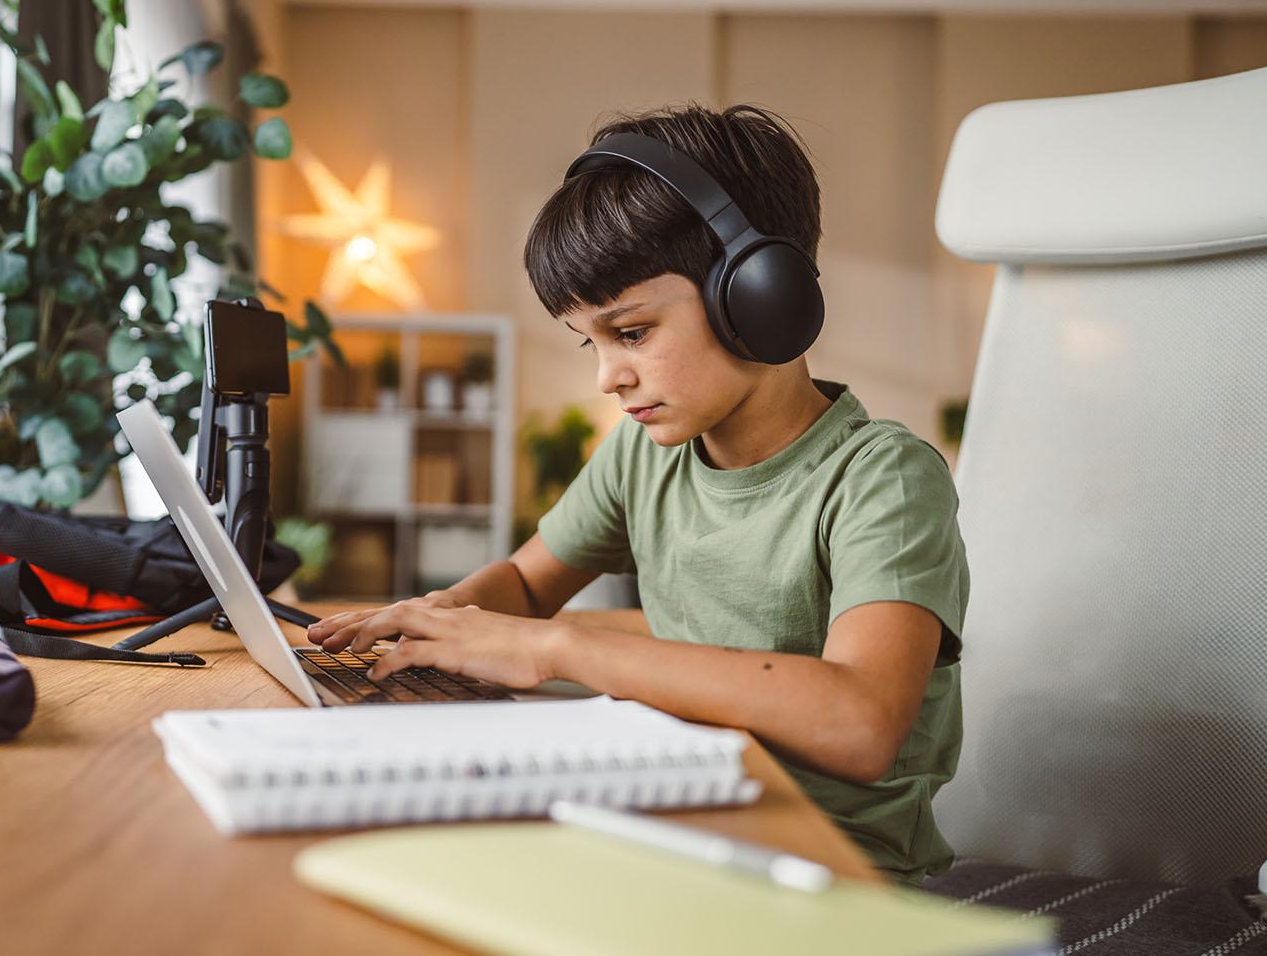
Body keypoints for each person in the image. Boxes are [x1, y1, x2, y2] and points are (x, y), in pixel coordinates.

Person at [307, 103, 969, 884]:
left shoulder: (882, 478)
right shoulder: (642, 456)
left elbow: (861, 722)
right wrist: (440, 620)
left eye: (631, 332)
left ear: (761, 298)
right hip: (678, 827)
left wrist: (558, 647)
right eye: (590, 341)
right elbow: (525, 582)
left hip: (835, 872)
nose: (607, 376)